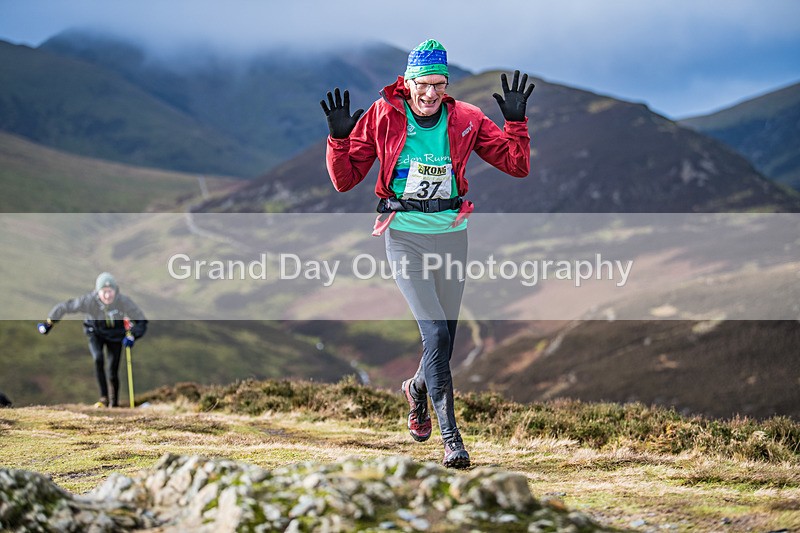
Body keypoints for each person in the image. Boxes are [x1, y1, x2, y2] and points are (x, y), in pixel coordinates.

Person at [321, 39, 533, 468]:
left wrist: (516, 124)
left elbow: (517, 165)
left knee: (446, 343)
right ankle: (452, 440)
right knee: (434, 334)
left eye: (439, 84)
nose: (430, 93)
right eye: (423, 83)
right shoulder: (384, 116)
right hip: (404, 236)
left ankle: (416, 388)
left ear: (446, 85)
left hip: (452, 237)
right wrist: (338, 140)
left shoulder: (466, 119)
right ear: (408, 81)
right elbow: (344, 180)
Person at [37, 272, 148, 408]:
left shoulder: (123, 301)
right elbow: (65, 307)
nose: (107, 295)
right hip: (95, 333)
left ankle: (114, 403)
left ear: (115, 290)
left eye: (110, 291)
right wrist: (49, 323)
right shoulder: (89, 300)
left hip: (116, 336)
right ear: (98, 291)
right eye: (104, 292)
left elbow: (142, 321)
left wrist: (132, 336)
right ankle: (103, 399)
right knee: (98, 358)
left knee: (113, 370)